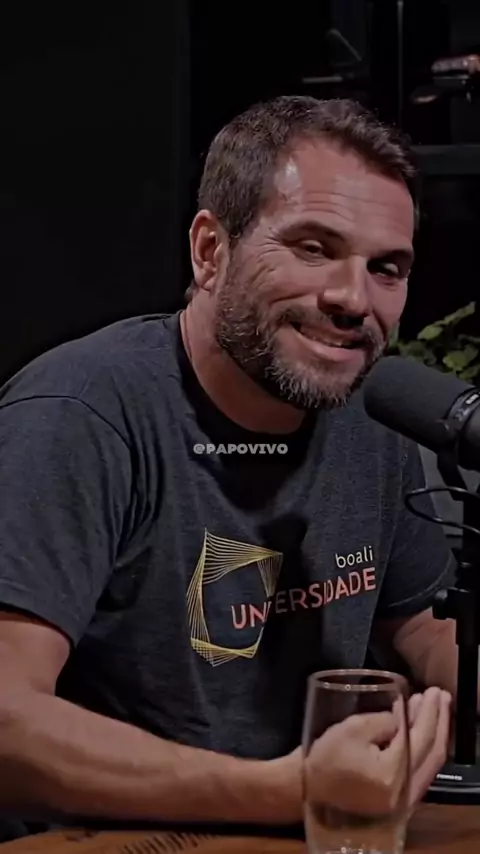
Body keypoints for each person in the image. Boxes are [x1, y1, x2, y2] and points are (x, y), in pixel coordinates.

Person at [0, 96, 456, 832]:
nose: (353, 299)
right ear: (211, 251)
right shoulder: (80, 414)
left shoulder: (369, 415)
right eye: (313, 248)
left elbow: (429, 629)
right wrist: (286, 792)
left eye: (386, 268)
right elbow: (7, 720)